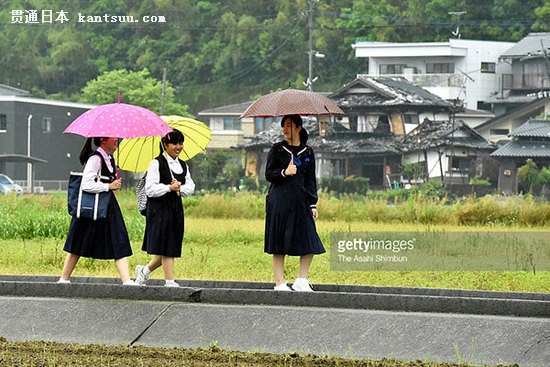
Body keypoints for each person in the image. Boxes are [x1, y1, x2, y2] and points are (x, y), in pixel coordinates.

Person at [59, 137, 135, 285]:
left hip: (107, 205)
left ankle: (126, 280)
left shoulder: (110, 158)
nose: (116, 139)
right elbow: (86, 184)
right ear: (102, 139)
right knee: (78, 241)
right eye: (113, 137)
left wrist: (113, 184)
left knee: (118, 238)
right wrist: (108, 186)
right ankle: (64, 278)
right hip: (92, 206)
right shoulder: (95, 159)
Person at [264, 114, 325, 291]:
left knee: (310, 239)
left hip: (301, 200)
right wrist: (285, 172)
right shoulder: (277, 149)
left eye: (289, 125)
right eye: (283, 126)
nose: (284, 129)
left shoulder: (308, 152)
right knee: (279, 241)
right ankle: (280, 282)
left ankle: (301, 279)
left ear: (298, 127)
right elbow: (269, 174)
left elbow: (310, 180)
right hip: (279, 199)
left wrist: (313, 203)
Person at [135, 129, 195, 287]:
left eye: (181, 143)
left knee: (170, 245)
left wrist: (179, 188)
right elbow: (150, 189)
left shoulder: (183, 165)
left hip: (175, 209)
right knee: (167, 246)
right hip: (159, 210)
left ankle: (144, 271)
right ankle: (169, 281)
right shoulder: (156, 163)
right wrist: (169, 188)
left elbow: (191, 187)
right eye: (174, 143)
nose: (178, 147)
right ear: (165, 144)